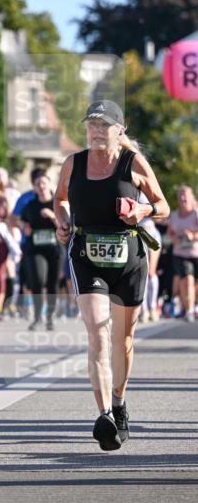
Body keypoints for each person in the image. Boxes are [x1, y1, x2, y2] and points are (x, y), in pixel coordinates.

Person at [54, 100, 169, 451]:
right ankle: (104, 415)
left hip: (129, 255)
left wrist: (142, 209)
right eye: (91, 124)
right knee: (98, 332)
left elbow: (162, 206)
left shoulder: (133, 163)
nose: (96, 131)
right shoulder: (73, 163)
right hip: (87, 253)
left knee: (123, 339)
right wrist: (62, 220)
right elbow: (61, 198)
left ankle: (119, 403)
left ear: (120, 131)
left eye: (104, 125)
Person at [20, 171, 62, 331]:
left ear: (49, 184)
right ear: (34, 188)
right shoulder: (30, 205)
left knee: (52, 283)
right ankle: (37, 317)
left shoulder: (57, 203)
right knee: (38, 280)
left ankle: (50, 317)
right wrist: (25, 228)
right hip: (35, 249)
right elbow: (21, 221)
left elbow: (66, 225)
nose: (41, 186)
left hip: (55, 249)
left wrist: (52, 216)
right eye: (38, 184)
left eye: (44, 183)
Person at [167, 185, 198, 322]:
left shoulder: (196, 214)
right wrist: (174, 239)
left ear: (192, 198)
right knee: (187, 280)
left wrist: (193, 235)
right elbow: (169, 232)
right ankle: (189, 310)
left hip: (195, 253)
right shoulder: (174, 215)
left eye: (185, 195)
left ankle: (191, 307)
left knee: (192, 283)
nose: (183, 198)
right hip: (180, 253)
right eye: (180, 196)